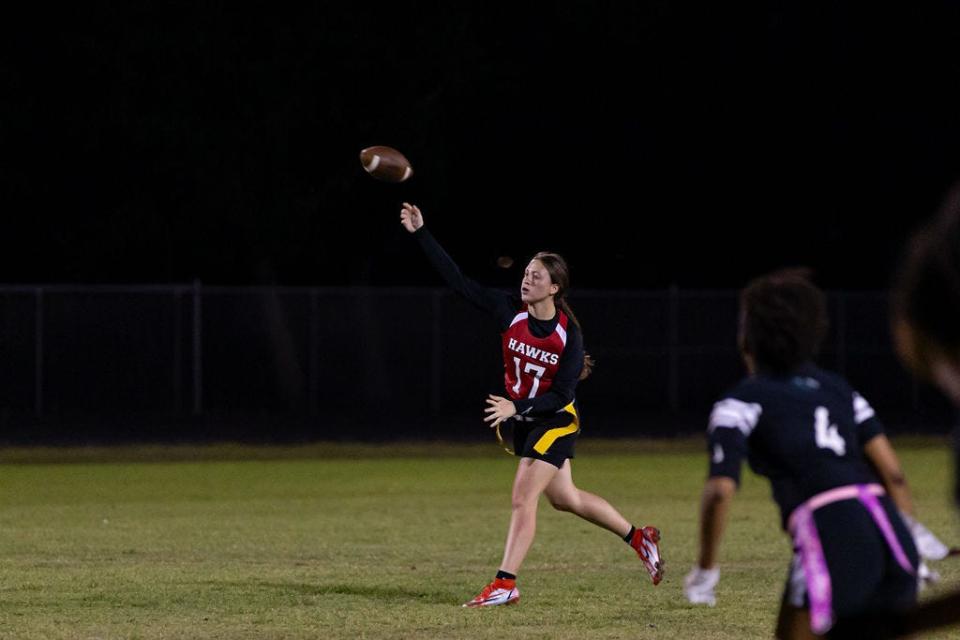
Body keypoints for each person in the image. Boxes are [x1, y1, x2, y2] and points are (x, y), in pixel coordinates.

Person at [399, 202, 663, 608]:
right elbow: (459, 282)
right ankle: (638, 537)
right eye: (525, 273)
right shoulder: (509, 311)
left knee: (523, 496)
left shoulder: (568, 334)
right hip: (526, 417)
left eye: (535, 276)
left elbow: (561, 396)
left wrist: (515, 406)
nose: (526, 280)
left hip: (555, 420)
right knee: (566, 499)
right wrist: (421, 233)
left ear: (554, 288)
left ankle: (506, 582)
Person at [683, 268, 946, 639]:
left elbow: (720, 490)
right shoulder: (839, 390)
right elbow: (894, 474)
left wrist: (706, 569)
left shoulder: (740, 402)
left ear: (747, 339)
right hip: (889, 527)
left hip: (829, 533)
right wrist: (909, 537)